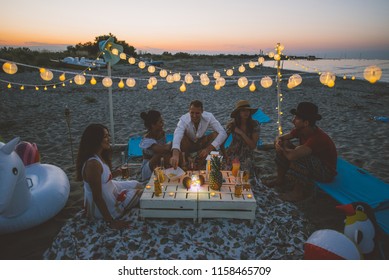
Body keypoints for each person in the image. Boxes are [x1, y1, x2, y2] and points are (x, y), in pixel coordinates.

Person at [265, 102, 337, 202]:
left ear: (306, 123)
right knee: (285, 144)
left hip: (325, 171)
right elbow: (281, 138)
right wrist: (278, 143)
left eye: (297, 118)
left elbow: (292, 156)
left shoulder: (317, 138)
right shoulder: (300, 130)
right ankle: (280, 179)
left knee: (300, 156)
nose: (293, 120)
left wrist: (283, 148)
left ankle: (297, 193)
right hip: (313, 162)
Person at [76, 124, 143, 229]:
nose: (109, 139)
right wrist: (110, 222)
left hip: (111, 188)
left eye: (108, 136)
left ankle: (123, 196)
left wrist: (116, 173)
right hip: (106, 204)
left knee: (137, 184)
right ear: (96, 140)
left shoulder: (99, 156)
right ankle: (119, 205)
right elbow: (97, 197)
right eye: (105, 137)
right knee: (141, 193)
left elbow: (103, 179)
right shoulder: (93, 164)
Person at [169, 100, 227, 169]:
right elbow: (177, 135)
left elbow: (223, 133)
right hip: (187, 145)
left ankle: (201, 161)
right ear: (189, 111)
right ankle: (187, 161)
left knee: (216, 134)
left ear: (202, 111)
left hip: (200, 143)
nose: (194, 116)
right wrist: (175, 155)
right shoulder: (184, 120)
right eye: (192, 113)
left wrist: (208, 149)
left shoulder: (209, 117)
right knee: (182, 137)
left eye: (197, 113)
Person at [222, 100, 260, 170]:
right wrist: (226, 156)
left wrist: (241, 133)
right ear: (238, 113)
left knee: (244, 173)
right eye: (243, 111)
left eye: (248, 110)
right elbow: (222, 143)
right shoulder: (233, 125)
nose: (246, 113)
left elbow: (253, 146)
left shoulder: (254, 124)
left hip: (247, 154)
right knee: (228, 172)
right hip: (232, 153)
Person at [139, 110, 172, 181]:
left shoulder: (161, 133)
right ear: (153, 125)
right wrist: (172, 143)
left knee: (171, 153)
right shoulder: (147, 140)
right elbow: (163, 149)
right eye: (160, 122)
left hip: (160, 165)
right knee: (160, 154)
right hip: (148, 168)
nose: (163, 124)